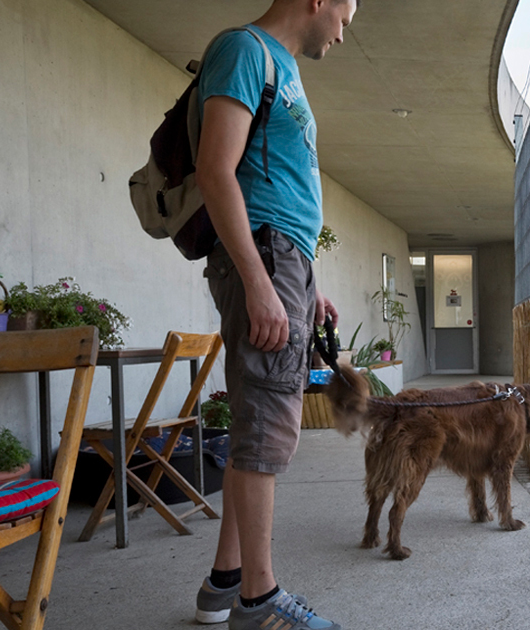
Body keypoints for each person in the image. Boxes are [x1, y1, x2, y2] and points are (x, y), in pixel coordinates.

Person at [192, 1, 357, 628]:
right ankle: (259, 603)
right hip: (262, 257)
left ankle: (224, 582)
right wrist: (262, 281)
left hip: (282, 259)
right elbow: (216, 169)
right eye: (345, 13)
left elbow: (278, 185)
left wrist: (305, 282)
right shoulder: (245, 51)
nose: (344, 31)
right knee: (268, 422)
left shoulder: (282, 68)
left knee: (255, 420)